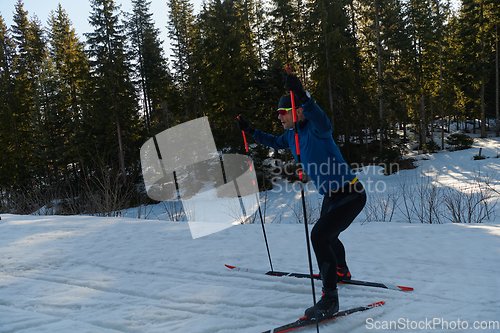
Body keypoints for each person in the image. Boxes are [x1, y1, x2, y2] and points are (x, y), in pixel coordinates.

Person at [237, 73, 367, 320]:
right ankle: (341, 272)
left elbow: (321, 118)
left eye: (283, 111)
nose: (279, 115)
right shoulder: (290, 135)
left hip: (351, 193)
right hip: (331, 195)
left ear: (297, 112)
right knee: (328, 235)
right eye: (278, 112)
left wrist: (304, 96)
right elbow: (273, 140)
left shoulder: (317, 129)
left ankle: (330, 299)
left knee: (319, 236)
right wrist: (250, 130)